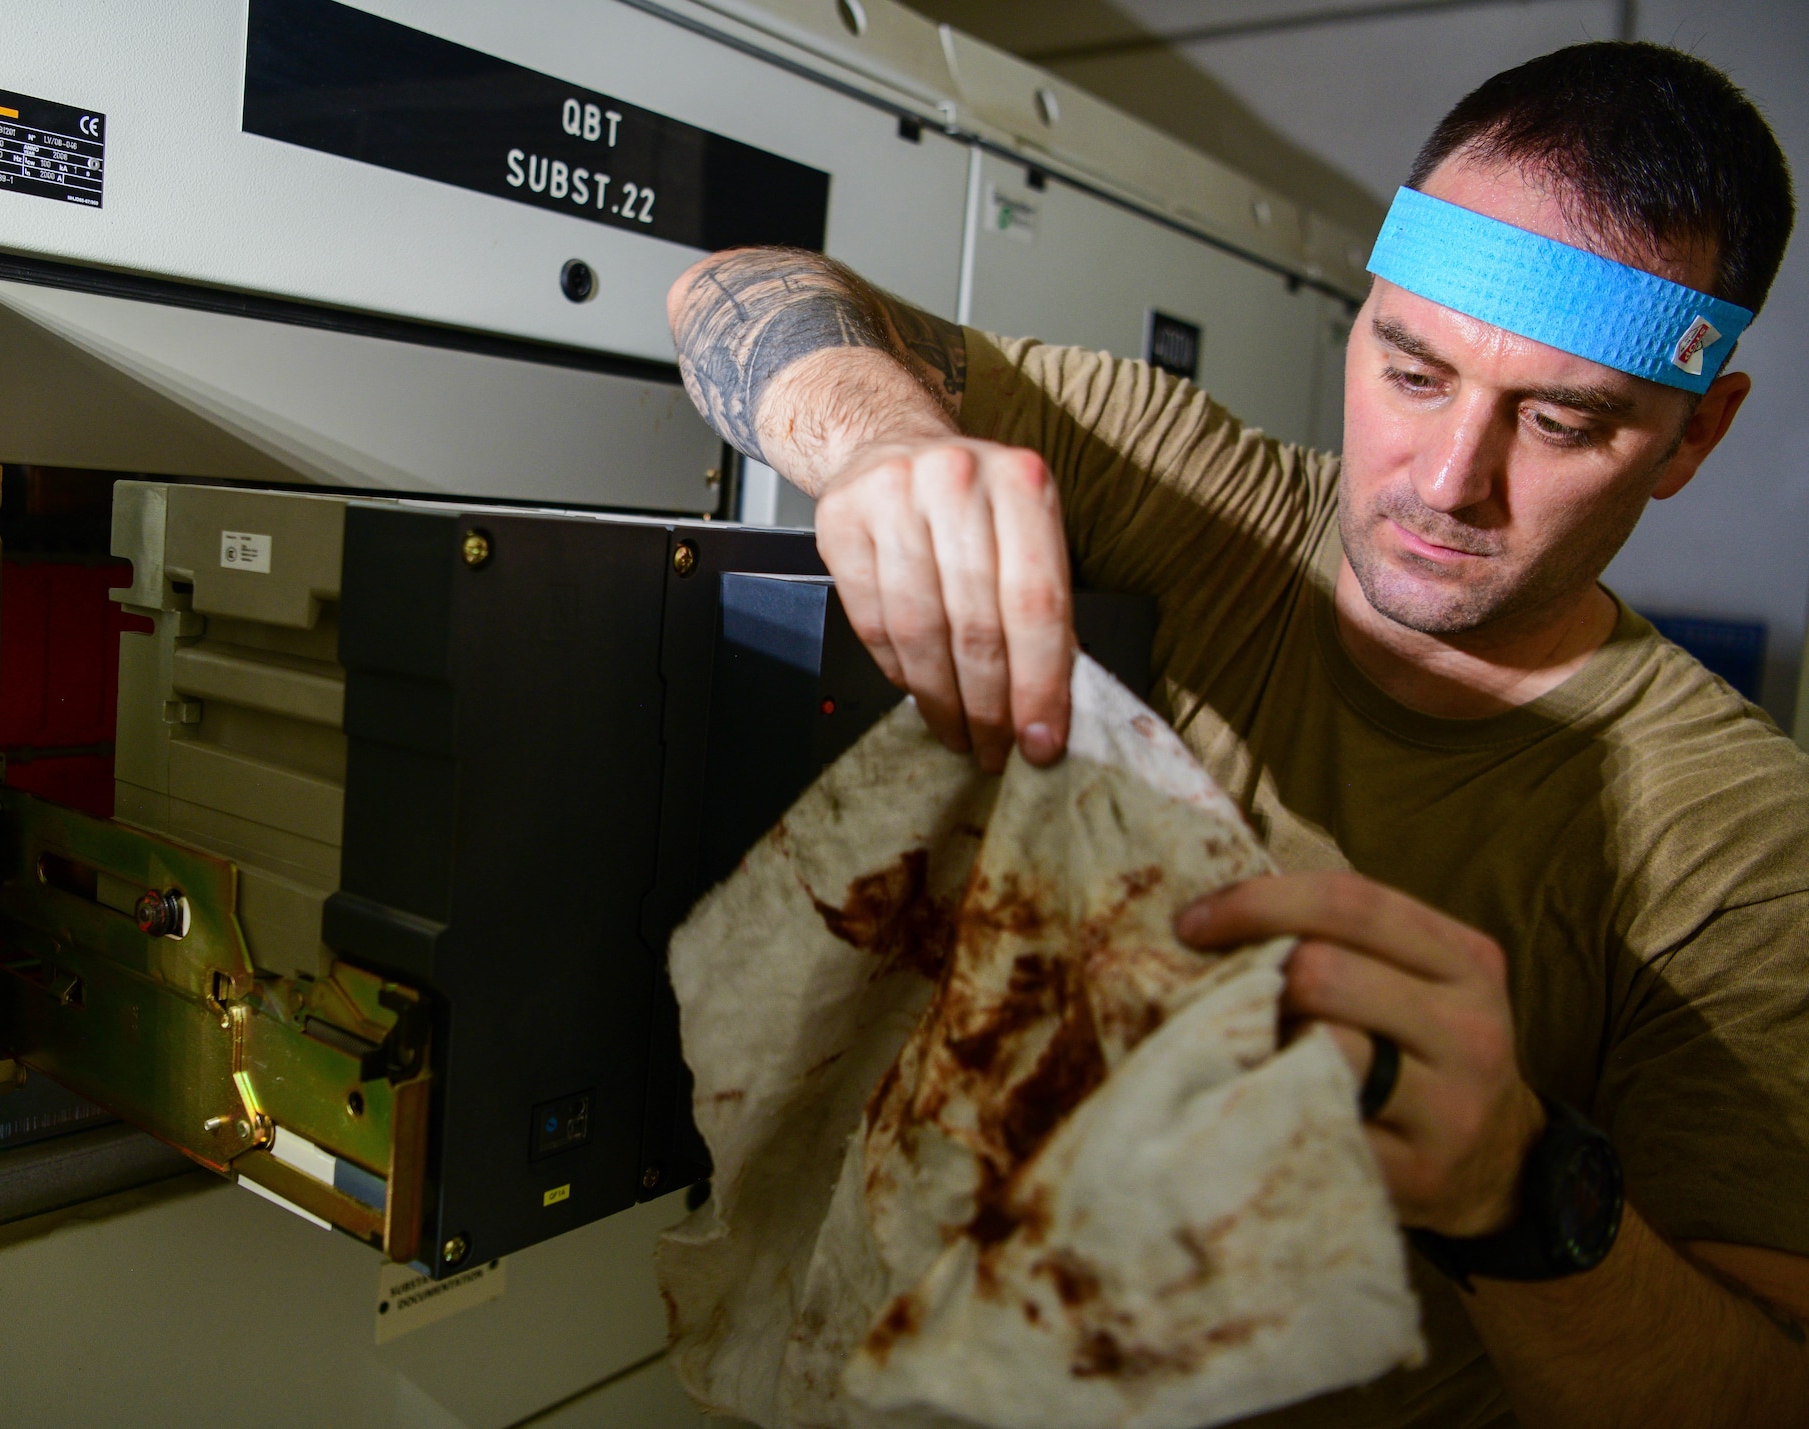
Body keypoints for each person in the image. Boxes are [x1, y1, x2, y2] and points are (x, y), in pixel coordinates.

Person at [666, 40, 1809, 1428]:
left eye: (1563, 421)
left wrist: (1518, 1196)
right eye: (1413, 369)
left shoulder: (1745, 842)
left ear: (1693, 439)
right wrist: (881, 443)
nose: (1450, 482)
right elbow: (735, 288)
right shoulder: (1214, 502)